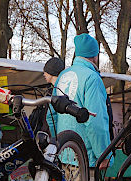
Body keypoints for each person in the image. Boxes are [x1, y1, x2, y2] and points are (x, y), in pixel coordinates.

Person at [47, 34, 111, 170]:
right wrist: (103, 154)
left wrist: (58, 144)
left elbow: (50, 116)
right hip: (86, 158)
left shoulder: (62, 76)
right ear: (95, 55)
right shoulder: (92, 78)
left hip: (64, 154)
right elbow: (95, 120)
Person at [31, 57, 65, 135]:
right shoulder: (52, 90)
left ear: (51, 72)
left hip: (55, 135)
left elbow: (50, 117)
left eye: (46, 71)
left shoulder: (56, 91)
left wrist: (54, 137)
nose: (44, 74)